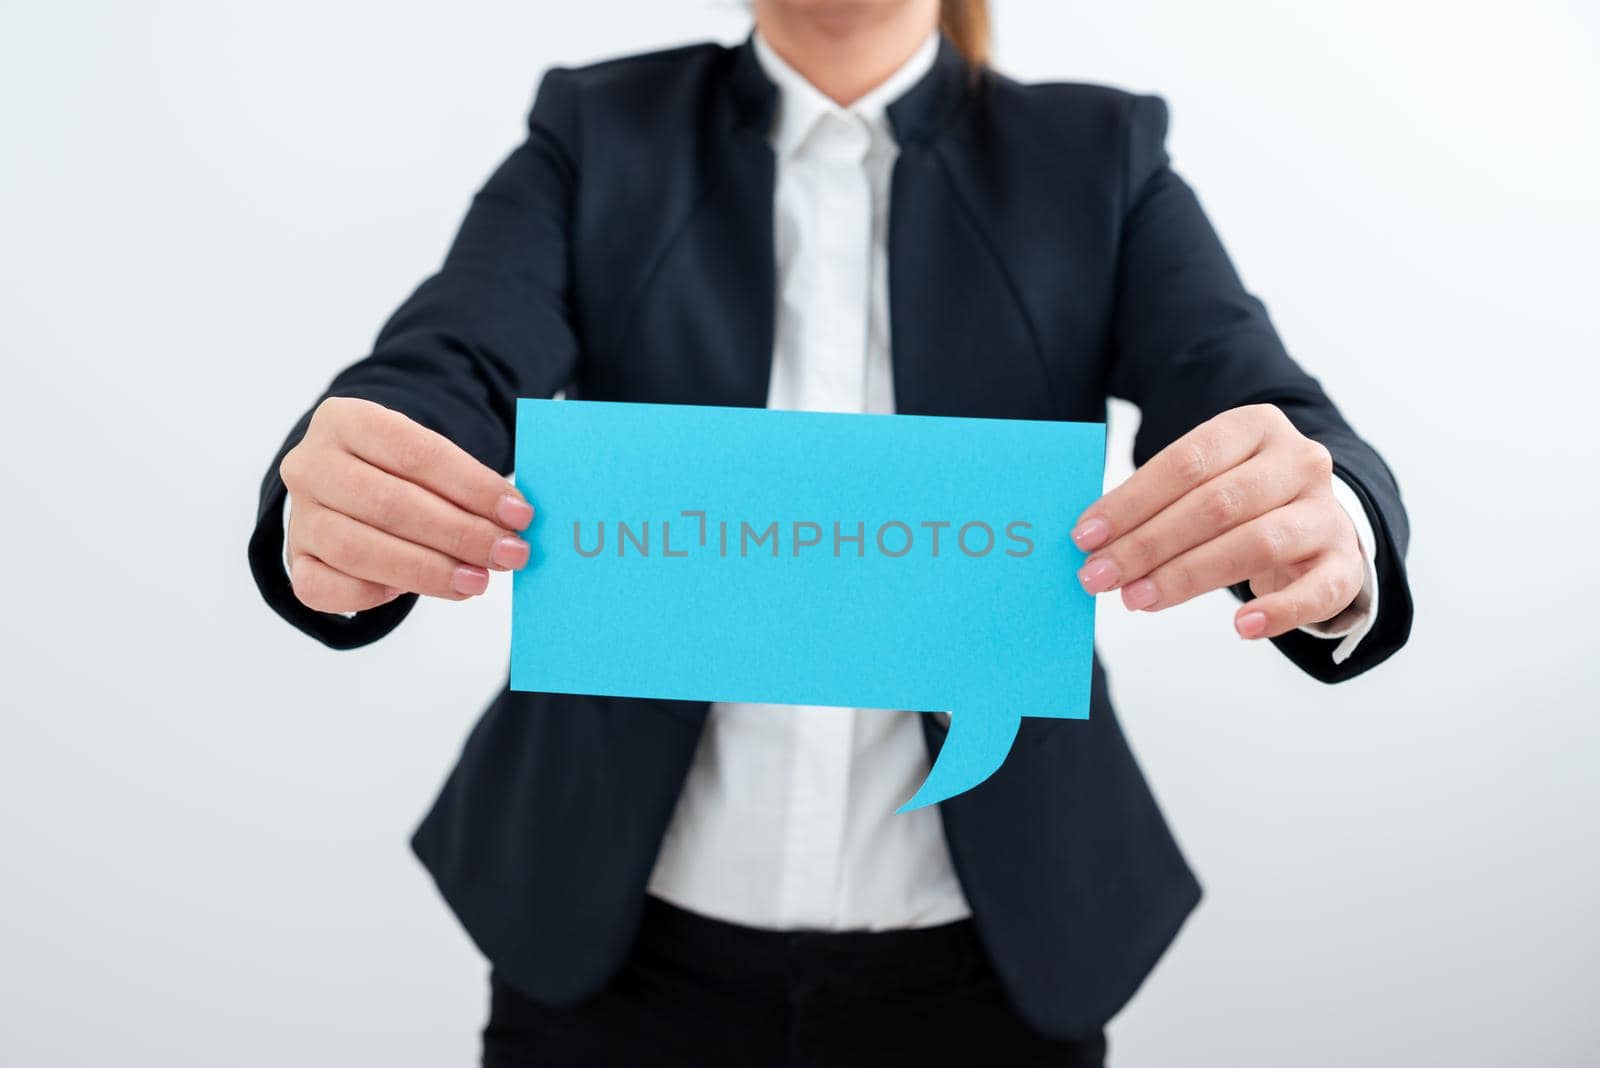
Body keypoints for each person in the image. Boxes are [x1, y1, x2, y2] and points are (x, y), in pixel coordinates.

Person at [247, 1, 1413, 1063]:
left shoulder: (1097, 159)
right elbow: (446, 361)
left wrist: (1331, 517)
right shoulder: (598, 131)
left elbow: (1264, 407)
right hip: (609, 946)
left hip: (994, 958)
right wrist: (350, 481)